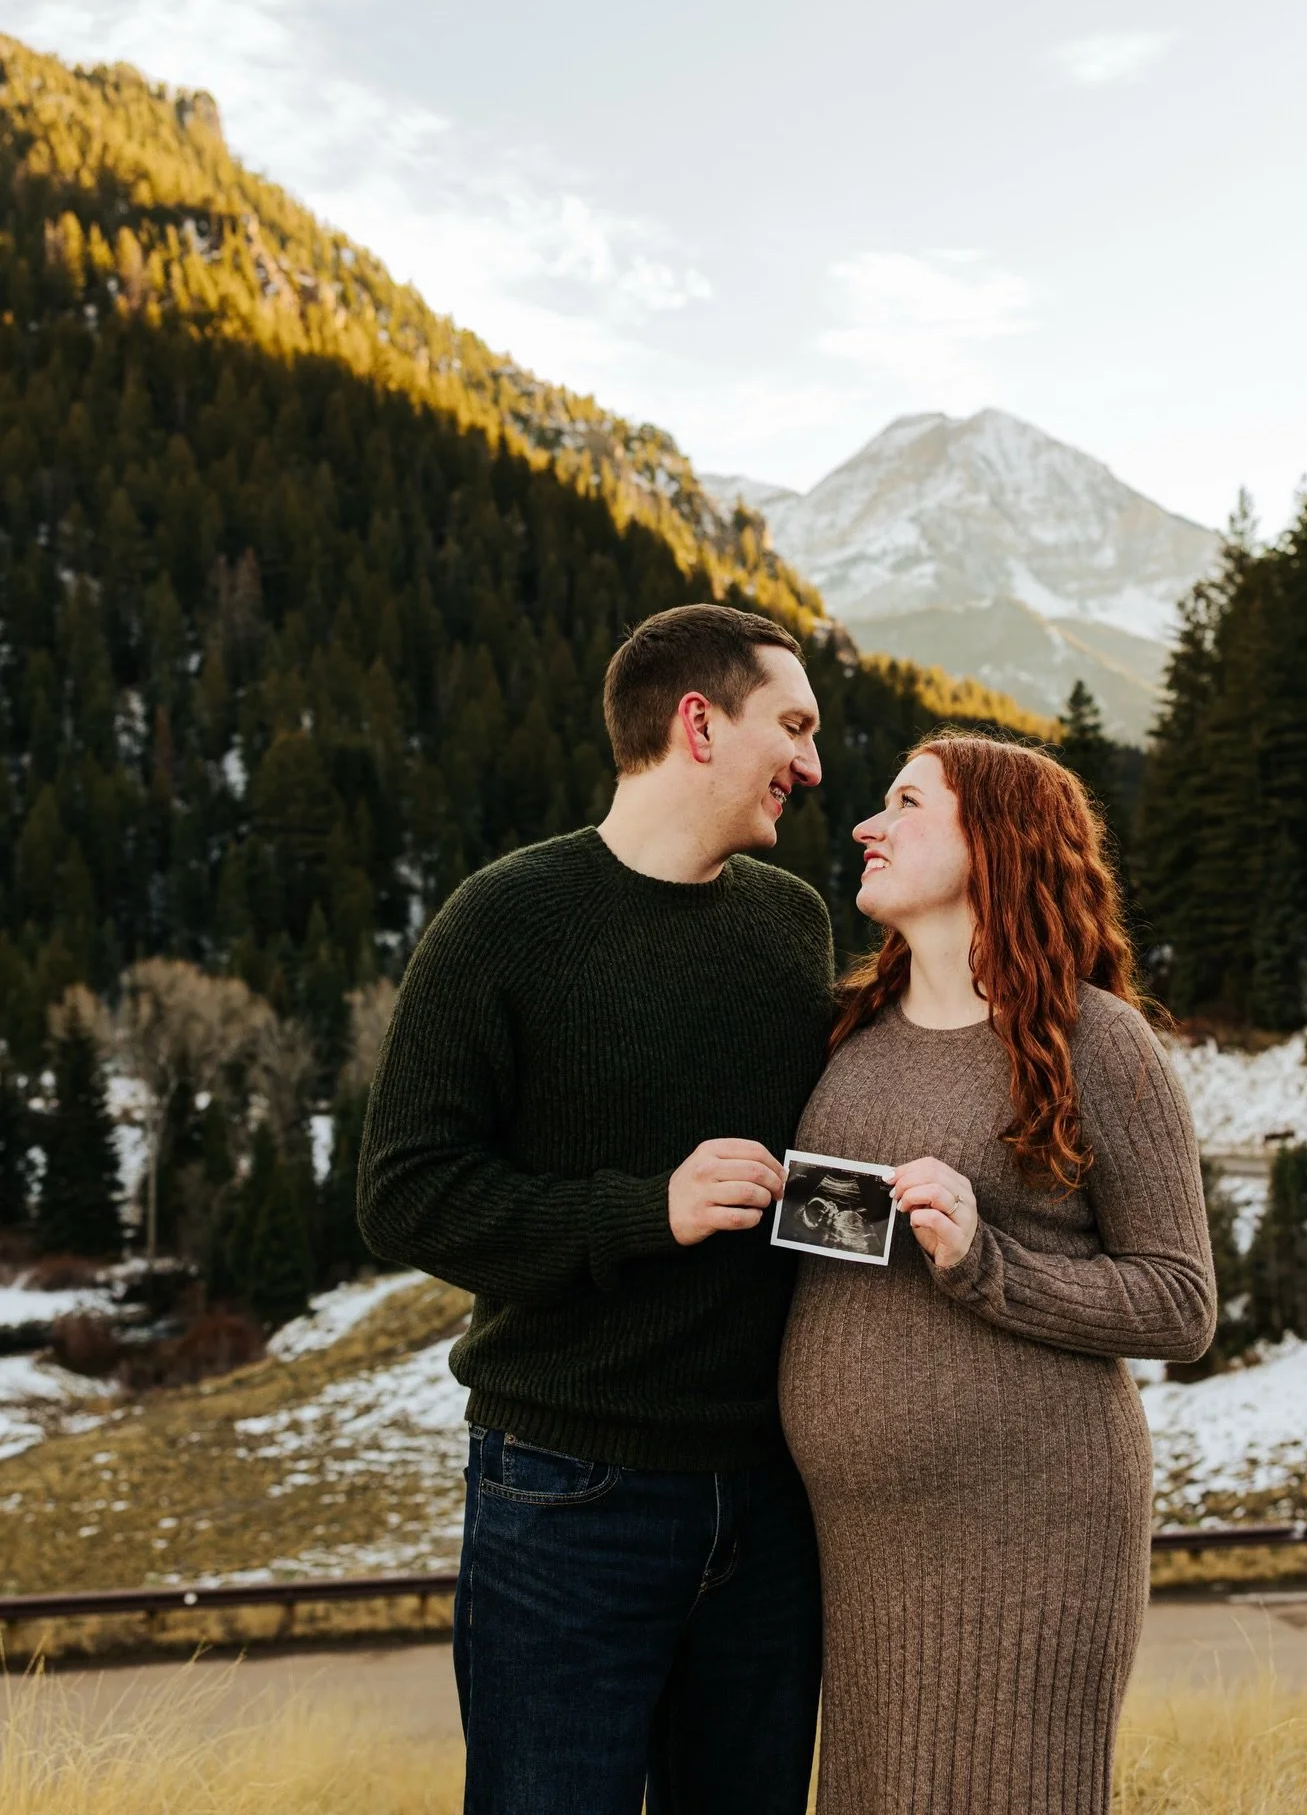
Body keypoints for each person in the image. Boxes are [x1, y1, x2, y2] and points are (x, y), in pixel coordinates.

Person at [357, 603, 833, 1815]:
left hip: (773, 1498)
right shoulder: (503, 921)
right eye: (793, 727)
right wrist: (643, 1213)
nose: (815, 764)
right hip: (569, 1496)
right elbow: (404, 1195)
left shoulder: (793, 925)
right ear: (698, 724)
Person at [779, 732, 1217, 1815]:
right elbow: (850, 1259)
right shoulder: (852, 1036)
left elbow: (1180, 1302)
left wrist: (988, 1262)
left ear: (995, 841)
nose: (868, 827)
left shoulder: (1095, 1040)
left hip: (1030, 1528)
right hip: (857, 1543)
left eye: (906, 803)